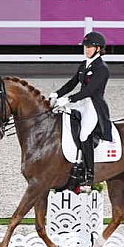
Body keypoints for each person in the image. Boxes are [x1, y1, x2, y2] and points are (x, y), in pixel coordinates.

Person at [49, 31, 113, 188]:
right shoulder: (84, 65)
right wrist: (57, 94)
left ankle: (89, 173)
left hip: (93, 105)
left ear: (98, 49)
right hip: (81, 102)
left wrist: (69, 99)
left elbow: (89, 90)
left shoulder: (102, 68)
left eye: (90, 47)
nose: (86, 49)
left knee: (84, 134)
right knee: (63, 120)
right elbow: (72, 83)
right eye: (85, 47)